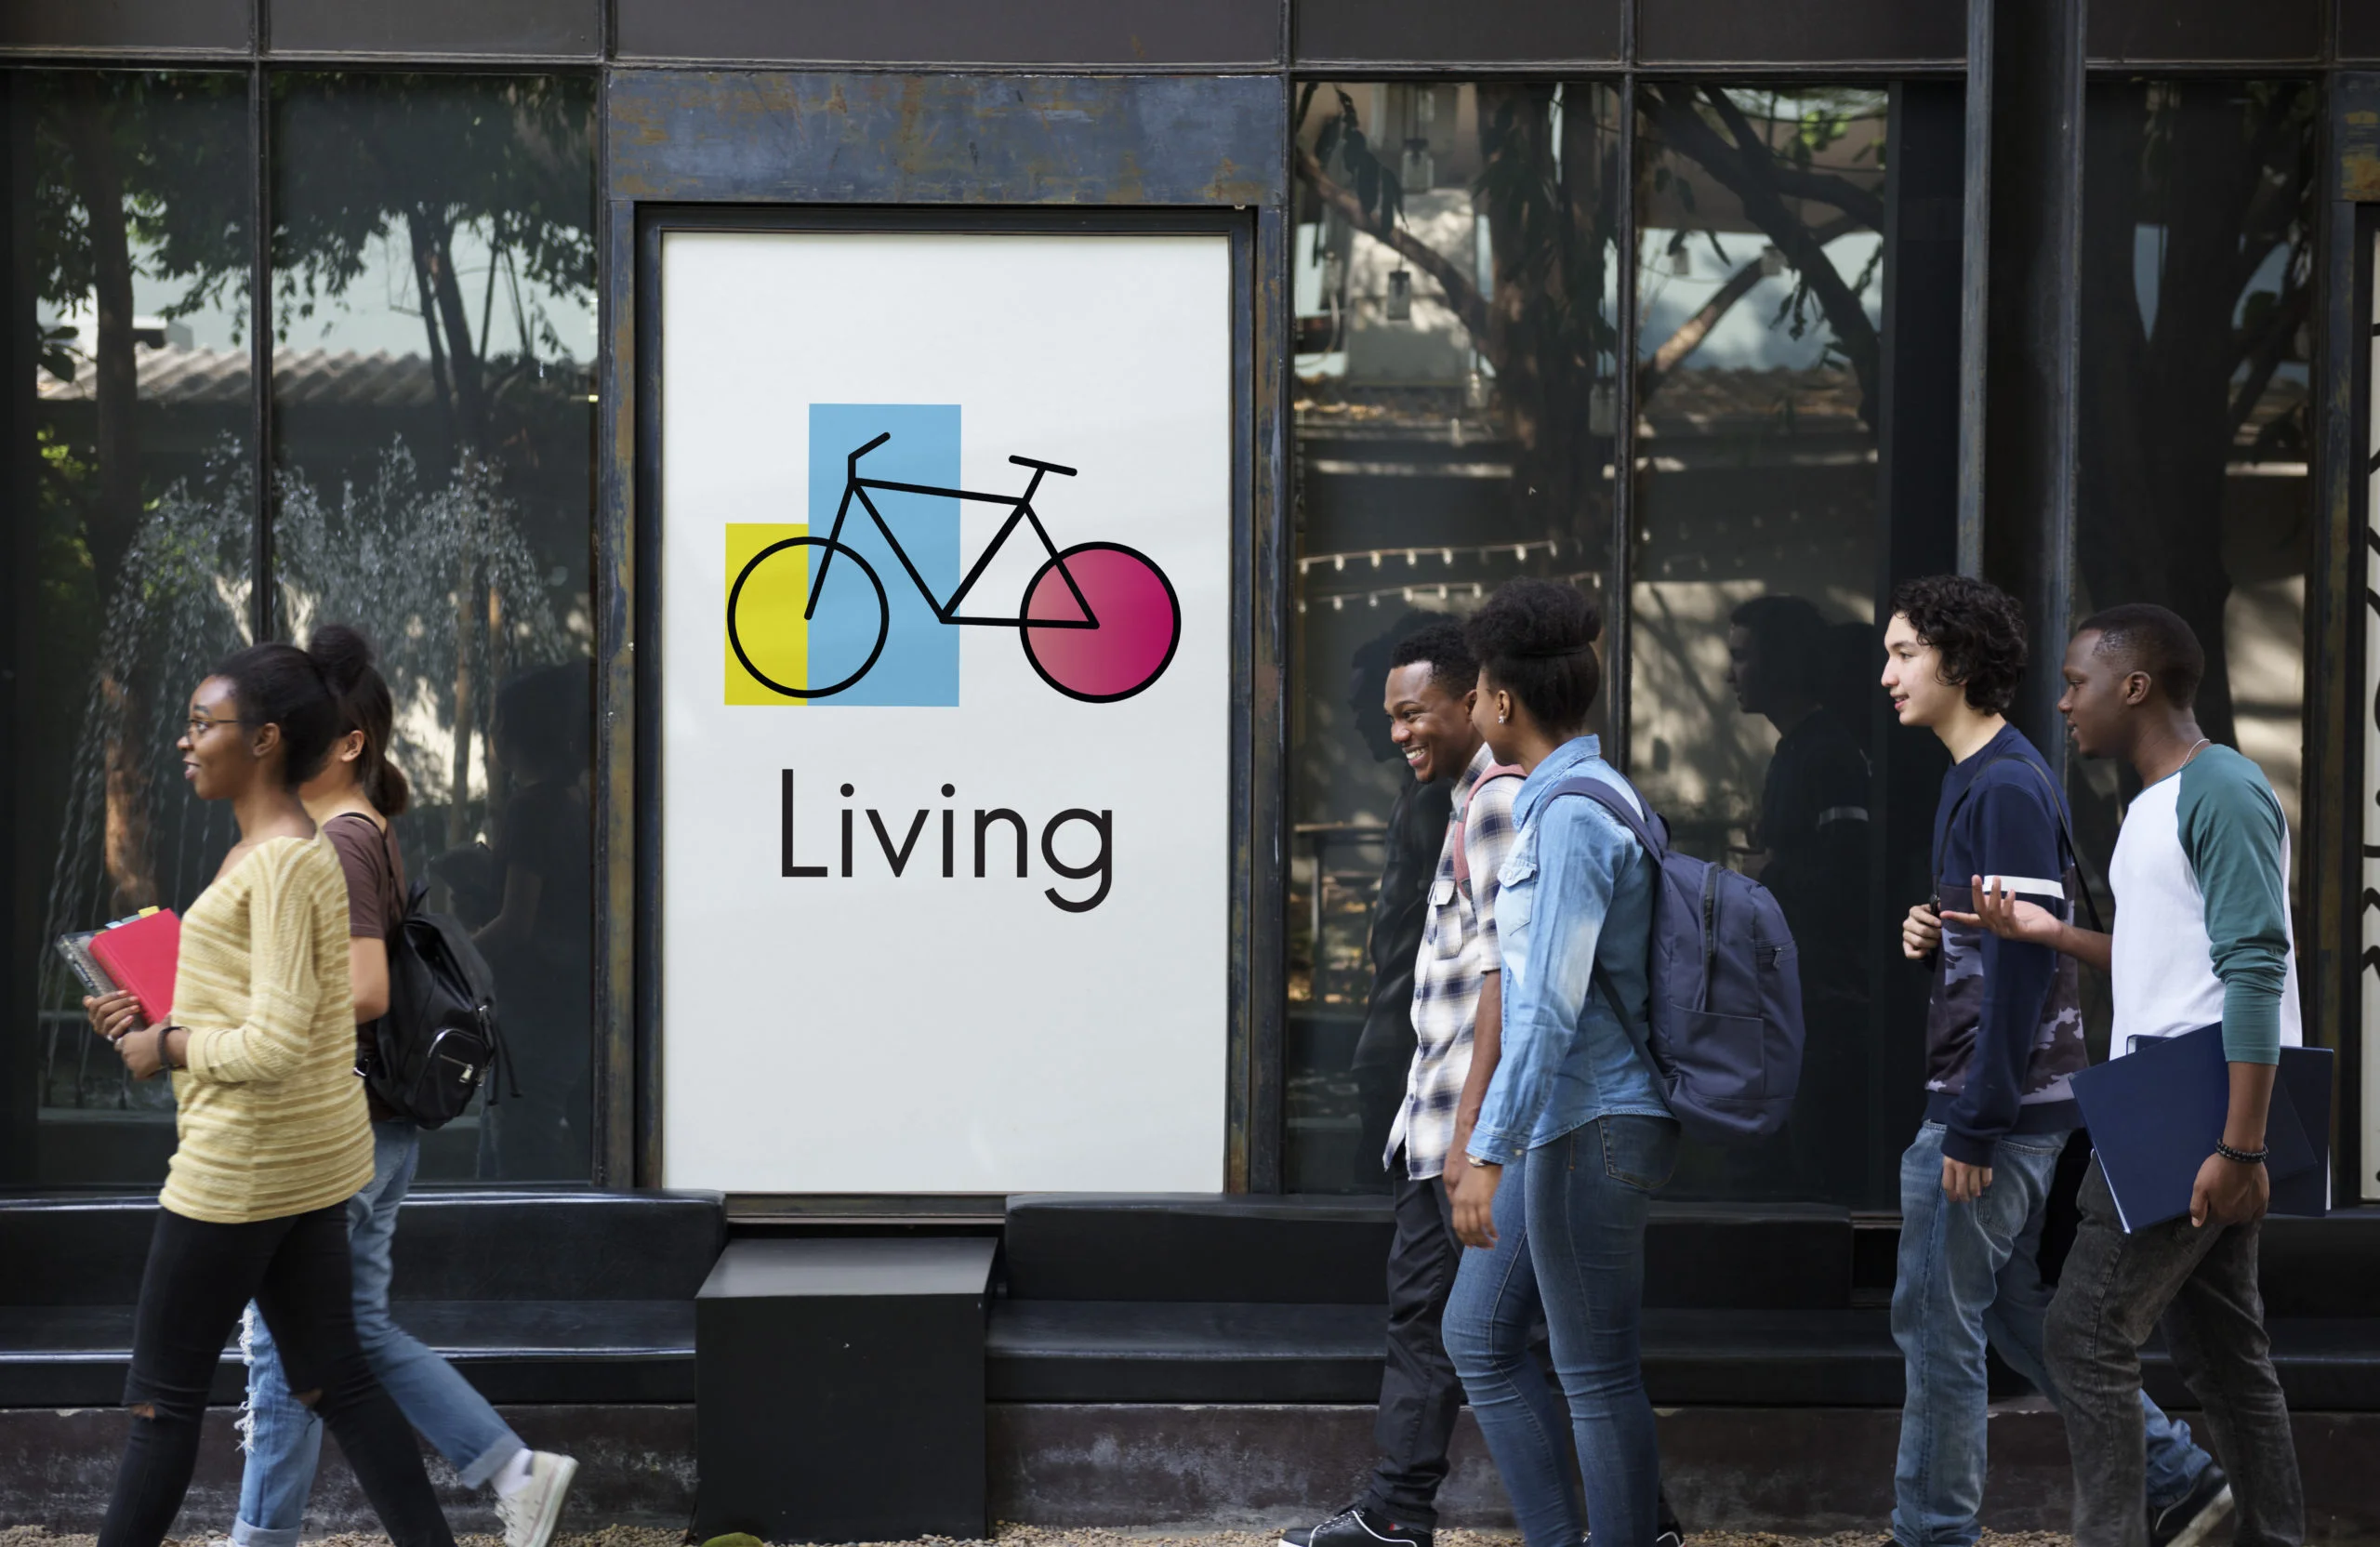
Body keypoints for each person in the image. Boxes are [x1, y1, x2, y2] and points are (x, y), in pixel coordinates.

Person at [80, 644, 454, 1547]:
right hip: (301, 1165)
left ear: (267, 738)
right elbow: (282, 1004)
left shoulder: (285, 861)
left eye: (205, 723)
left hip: (241, 1172)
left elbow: (281, 1039)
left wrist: (163, 1044)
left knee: (160, 1404)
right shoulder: (277, 849)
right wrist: (155, 1009)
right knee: (339, 1379)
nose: (187, 739)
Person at [1950, 603, 2303, 1547]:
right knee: (2225, 1356)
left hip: (2189, 1097)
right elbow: (2168, 955)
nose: (2062, 701)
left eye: (2076, 682)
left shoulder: (2218, 788)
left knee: (2082, 1333)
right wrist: (2050, 932)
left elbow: (2253, 968)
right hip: (2179, 1090)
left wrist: (2241, 1143)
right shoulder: (2156, 802)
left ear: (2134, 685)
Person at [1882, 577, 2226, 1547]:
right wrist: (1934, 926)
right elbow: (1997, 942)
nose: (1886, 673)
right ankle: (2181, 1478)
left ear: (1955, 663)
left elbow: (2028, 967)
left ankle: (1931, 1532)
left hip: (1992, 1111)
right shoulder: (1985, 776)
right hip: (2003, 1104)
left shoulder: (2001, 783)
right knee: (1998, 1311)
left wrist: (1976, 1122)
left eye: (1903, 652)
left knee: (1933, 1329)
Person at [224, 626, 578, 1547]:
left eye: (290, 731)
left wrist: (246, 1014)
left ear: (344, 743)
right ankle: (515, 1469)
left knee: (283, 1346)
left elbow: (369, 988)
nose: (273, 748)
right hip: (375, 1125)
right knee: (349, 1331)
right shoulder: (363, 828)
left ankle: (260, 1536)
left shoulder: (339, 840)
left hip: (341, 1125)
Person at [1442, 578, 1674, 1547]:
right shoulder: (1580, 795)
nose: (1470, 709)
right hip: (1571, 1118)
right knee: (1479, 1334)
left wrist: (1484, 1148)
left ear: (1502, 702)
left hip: (1589, 1121)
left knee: (1596, 1370)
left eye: (1477, 692)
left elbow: (1545, 1010)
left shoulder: (1572, 815)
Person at [1726, 593, 1871, 1197]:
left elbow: (1853, 871)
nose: (1728, 673)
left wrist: (1771, 870)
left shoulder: (1827, 753)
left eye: (1742, 657)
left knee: (1813, 1169)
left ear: (1780, 663)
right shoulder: (1796, 751)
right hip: (1792, 995)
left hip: (1825, 1000)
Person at [472, 661, 596, 1180]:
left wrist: (451, 954)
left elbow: (516, 922)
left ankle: (526, 1256)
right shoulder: (577, 800)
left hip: (532, 1010)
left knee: (523, 1152)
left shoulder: (531, 808)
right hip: (571, 1002)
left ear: (515, 733)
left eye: (498, 721)